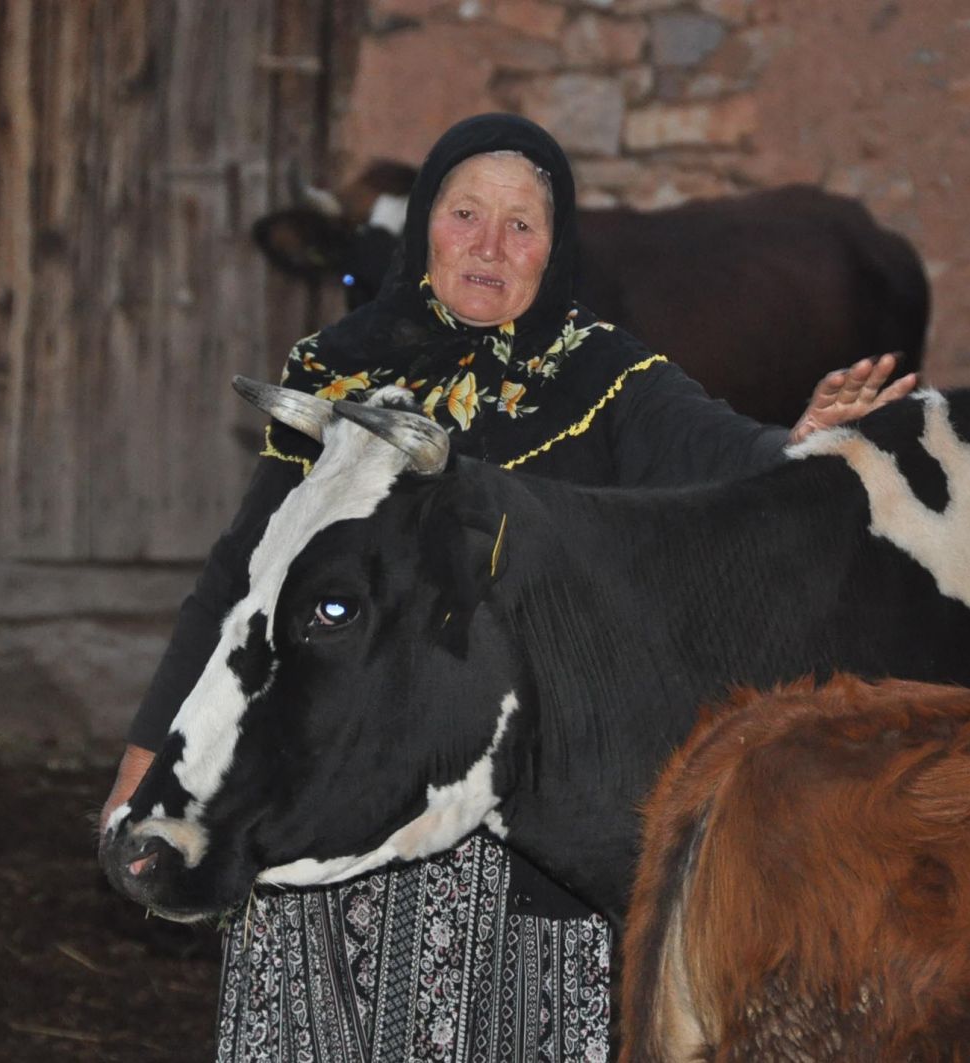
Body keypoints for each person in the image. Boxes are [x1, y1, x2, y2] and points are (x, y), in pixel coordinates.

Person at [99, 113, 916, 1062]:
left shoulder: (605, 374)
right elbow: (244, 580)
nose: (490, 245)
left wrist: (797, 443)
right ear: (424, 227)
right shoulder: (336, 373)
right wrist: (146, 758)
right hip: (327, 790)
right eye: (465, 214)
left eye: (522, 224)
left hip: (524, 835)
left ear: (554, 246)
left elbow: (727, 459)